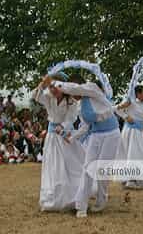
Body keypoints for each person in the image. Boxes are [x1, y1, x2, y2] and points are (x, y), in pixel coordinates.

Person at [48, 74, 121, 218]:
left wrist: (55, 82)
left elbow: (76, 88)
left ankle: (101, 200)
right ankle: (81, 206)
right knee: (88, 168)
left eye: (73, 90)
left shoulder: (92, 89)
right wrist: (71, 137)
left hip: (112, 134)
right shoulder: (81, 107)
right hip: (95, 135)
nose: (72, 95)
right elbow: (85, 126)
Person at [33, 75, 85, 211]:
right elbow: (36, 96)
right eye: (51, 87)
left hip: (65, 135)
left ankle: (75, 196)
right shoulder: (48, 97)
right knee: (54, 166)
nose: (53, 89)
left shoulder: (71, 101)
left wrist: (63, 126)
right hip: (52, 136)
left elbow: (71, 118)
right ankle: (54, 198)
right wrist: (42, 84)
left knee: (70, 165)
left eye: (55, 86)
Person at [115, 85, 143, 189]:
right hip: (130, 131)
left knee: (139, 154)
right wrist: (126, 117)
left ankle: (132, 178)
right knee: (131, 154)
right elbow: (117, 109)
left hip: (138, 132)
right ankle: (130, 180)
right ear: (138, 94)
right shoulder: (131, 102)